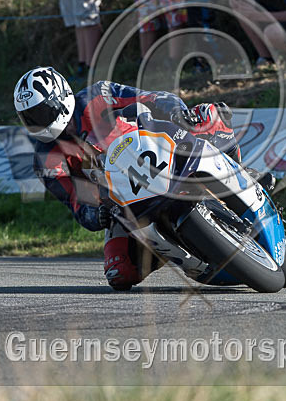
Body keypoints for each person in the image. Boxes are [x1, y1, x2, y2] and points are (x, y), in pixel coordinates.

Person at [13, 66, 246, 291]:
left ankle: (236, 167)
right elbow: (76, 202)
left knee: (202, 119)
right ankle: (177, 247)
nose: (37, 123)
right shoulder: (45, 159)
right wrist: (97, 214)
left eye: (41, 113)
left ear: (60, 98)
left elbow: (154, 99)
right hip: (120, 201)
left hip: (159, 151)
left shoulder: (97, 95)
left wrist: (176, 113)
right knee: (120, 273)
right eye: (29, 117)